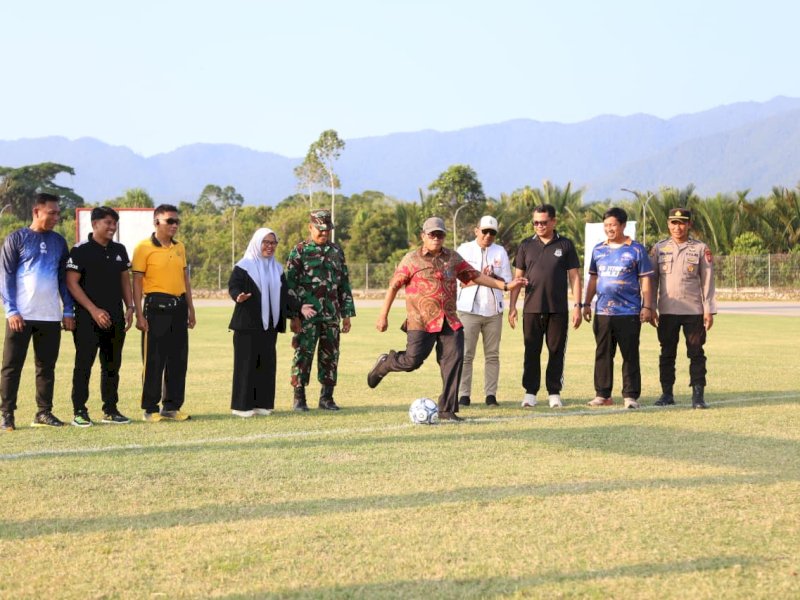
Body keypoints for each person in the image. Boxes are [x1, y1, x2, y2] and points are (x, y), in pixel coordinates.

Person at [367, 217, 527, 422]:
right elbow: (393, 286)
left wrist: (504, 286)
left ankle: (447, 410)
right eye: (432, 234)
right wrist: (383, 315)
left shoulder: (452, 257)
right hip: (421, 321)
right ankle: (386, 362)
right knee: (412, 361)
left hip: (449, 321)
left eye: (440, 234)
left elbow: (475, 276)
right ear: (423, 236)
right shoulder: (411, 259)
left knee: (454, 360)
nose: (436, 238)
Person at [1, 190, 75, 431]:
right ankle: (6, 414)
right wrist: (11, 310)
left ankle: (43, 412)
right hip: (21, 316)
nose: (56, 217)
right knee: (11, 367)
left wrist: (68, 310)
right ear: (36, 211)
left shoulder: (59, 242)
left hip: (49, 316)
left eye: (58, 213)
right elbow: (5, 277)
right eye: (52, 213)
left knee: (46, 367)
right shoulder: (16, 238)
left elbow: (63, 280)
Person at [508, 204, 583, 409]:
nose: (539, 226)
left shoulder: (565, 244)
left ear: (553, 221)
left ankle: (554, 393)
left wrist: (577, 306)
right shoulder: (525, 245)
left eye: (543, 222)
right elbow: (517, 278)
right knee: (531, 351)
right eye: (535, 223)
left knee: (556, 351)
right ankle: (530, 393)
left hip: (558, 309)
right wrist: (512, 306)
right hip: (531, 308)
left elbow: (575, 277)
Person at [66, 207, 134, 426]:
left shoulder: (119, 249)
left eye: (115, 223)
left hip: (115, 317)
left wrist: (130, 307)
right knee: (84, 365)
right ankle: (79, 411)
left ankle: (110, 409)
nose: (112, 227)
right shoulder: (80, 250)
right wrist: (94, 310)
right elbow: (71, 283)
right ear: (95, 224)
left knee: (112, 365)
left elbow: (125, 280)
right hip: (87, 318)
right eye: (108, 223)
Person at [582, 207, 653, 409]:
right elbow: (593, 279)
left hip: (628, 312)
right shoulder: (598, 249)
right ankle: (602, 394)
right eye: (606, 225)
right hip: (603, 311)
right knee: (603, 354)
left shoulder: (636, 249)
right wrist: (586, 304)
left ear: (623, 225)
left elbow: (645, 280)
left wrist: (647, 306)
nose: (609, 229)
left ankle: (630, 396)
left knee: (629, 354)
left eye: (613, 225)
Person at [285, 209, 355, 411]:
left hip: (331, 315)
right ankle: (299, 398)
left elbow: (344, 284)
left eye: (327, 230)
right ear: (310, 227)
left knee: (330, 356)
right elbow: (290, 286)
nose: (324, 233)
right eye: (320, 229)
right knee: (303, 355)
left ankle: (327, 398)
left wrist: (347, 314)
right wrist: (293, 316)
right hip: (307, 316)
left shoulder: (336, 251)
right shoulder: (299, 251)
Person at [132, 204, 196, 422]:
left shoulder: (180, 247)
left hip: (179, 307)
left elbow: (185, 279)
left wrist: (191, 309)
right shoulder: (143, 248)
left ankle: (171, 407)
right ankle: (150, 408)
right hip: (156, 308)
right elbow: (137, 282)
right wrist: (139, 314)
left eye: (177, 221)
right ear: (156, 222)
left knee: (178, 360)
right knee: (154, 360)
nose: (174, 225)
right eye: (170, 221)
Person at [228, 228, 300, 417]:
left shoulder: (277, 269)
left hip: (269, 326)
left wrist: (299, 309)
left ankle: (262, 404)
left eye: (273, 243)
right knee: (246, 365)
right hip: (247, 325)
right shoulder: (244, 266)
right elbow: (233, 286)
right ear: (257, 243)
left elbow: (284, 296)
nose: (270, 246)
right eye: (266, 242)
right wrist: (238, 296)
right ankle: (242, 406)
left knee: (266, 365)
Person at [650, 208, 717, 409]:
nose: (677, 227)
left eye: (681, 223)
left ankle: (698, 396)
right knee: (667, 353)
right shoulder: (659, 248)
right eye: (673, 223)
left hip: (693, 311)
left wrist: (708, 309)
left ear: (689, 225)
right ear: (668, 224)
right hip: (667, 310)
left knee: (696, 353)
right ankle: (667, 394)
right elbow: (652, 281)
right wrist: (651, 307)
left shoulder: (700, 248)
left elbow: (707, 281)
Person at [455, 215, 512, 407]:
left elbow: (506, 282)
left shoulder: (500, 251)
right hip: (468, 310)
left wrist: (492, 276)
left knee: (492, 355)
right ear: (476, 230)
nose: (488, 236)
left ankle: (491, 395)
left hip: (493, 311)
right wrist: (481, 278)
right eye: (485, 231)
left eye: (492, 233)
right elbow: (458, 281)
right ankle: (464, 395)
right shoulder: (464, 249)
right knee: (466, 355)